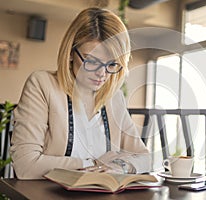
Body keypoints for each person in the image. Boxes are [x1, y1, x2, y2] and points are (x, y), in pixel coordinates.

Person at [10, 7, 150, 179]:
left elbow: (145, 157)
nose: (102, 73)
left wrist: (122, 166)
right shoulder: (42, 84)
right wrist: (95, 164)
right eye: (91, 61)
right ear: (70, 52)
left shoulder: (114, 98)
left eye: (112, 64)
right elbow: (26, 165)